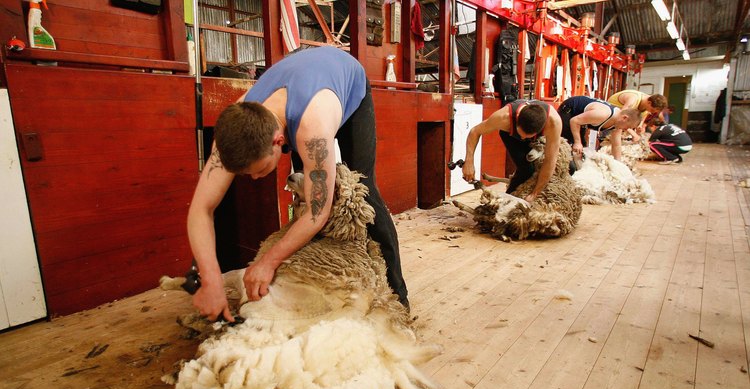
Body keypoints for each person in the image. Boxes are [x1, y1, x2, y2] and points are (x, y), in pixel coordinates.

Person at [187, 46, 408, 322]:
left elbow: (320, 212)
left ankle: (399, 296)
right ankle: (315, 288)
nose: (255, 179)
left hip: (346, 80)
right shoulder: (231, 131)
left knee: (363, 192)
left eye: (259, 170)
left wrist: (267, 263)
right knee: (303, 196)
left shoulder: (311, 132)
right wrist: (211, 281)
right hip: (303, 87)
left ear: (279, 141)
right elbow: (200, 209)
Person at [461, 99, 563, 201]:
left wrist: (535, 194)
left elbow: (550, 160)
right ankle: (507, 201)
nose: (523, 138)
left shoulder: (554, 123)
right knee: (526, 169)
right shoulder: (503, 117)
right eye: (522, 134)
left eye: (527, 136)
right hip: (511, 135)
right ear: (517, 118)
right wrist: (469, 162)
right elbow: (475, 131)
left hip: (535, 139)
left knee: (561, 167)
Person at [557, 95, 641, 163]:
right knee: (569, 147)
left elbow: (616, 144)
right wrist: (577, 142)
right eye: (628, 127)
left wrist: (618, 164)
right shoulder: (602, 114)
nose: (627, 130)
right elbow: (574, 121)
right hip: (570, 111)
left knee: (581, 152)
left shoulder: (618, 123)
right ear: (625, 118)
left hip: (581, 119)